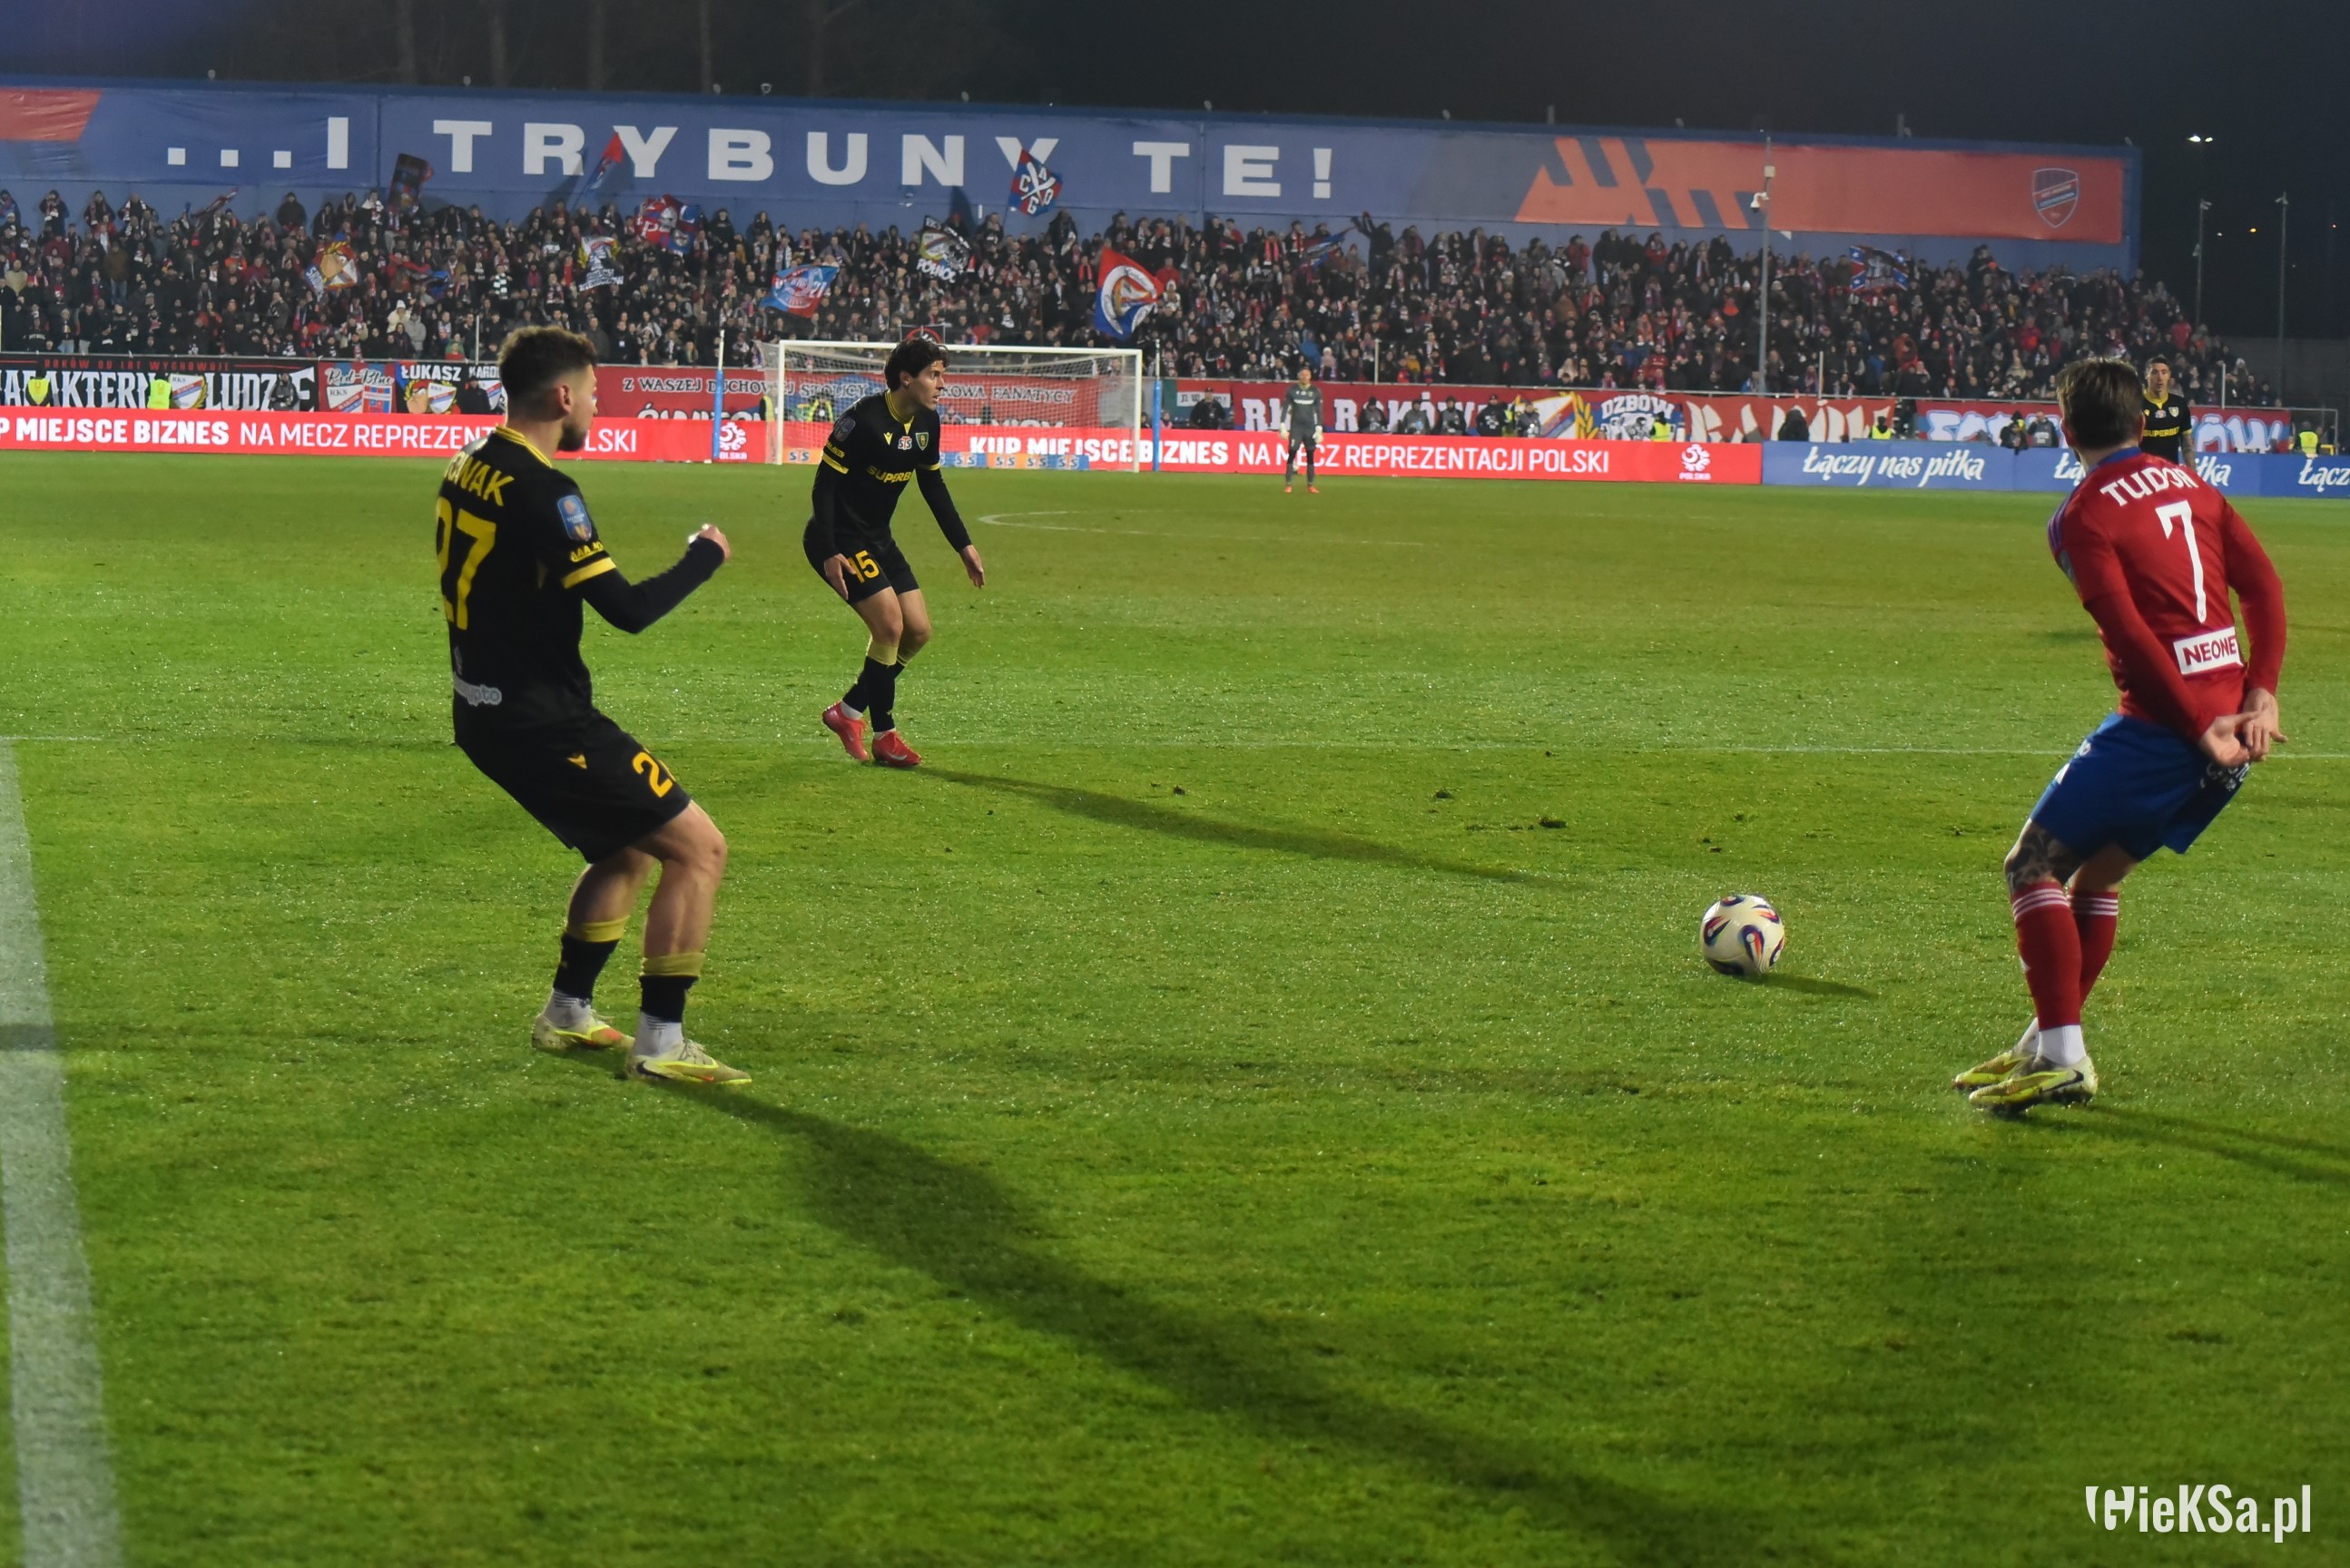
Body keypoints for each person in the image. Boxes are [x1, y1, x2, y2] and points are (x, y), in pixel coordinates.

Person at [1953, 358, 2287, 1113]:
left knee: (2028, 866)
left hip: (2169, 729)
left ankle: (2064, 1058)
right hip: (2234, 728)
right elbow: (2263, 587)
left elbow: (2131, 636)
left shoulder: (2079, 517)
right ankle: (2044, 1041)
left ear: (2065, 429)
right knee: (2095, 879)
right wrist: (2260, 690)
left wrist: (2195, 727)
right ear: (2142, 423)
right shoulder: (2195, 487)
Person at [438, 326, 746, 1085]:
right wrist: (704, 556)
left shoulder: (469, 461)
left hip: (482, 708)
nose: (596, 408)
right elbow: (627, 611)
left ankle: (567, 1011)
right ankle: (662, 1042)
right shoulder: (547, 491)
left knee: (626, 847)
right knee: (699, 850)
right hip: (541, 721)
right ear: (561, 396)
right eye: (593, 394)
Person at [809, 333, 987, 770]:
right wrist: (830, 551)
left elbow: (933, 486)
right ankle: (884, 735)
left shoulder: (927, 423)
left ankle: (848, 711)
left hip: (878, 539)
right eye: (934, 375)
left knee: (918, 631)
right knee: (890, 626)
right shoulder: (862, 421)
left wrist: (963, 545)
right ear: (907, 378)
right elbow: (824, 487)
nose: (942, 384)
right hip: (840, 539)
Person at [2139, 357, 2192, 463]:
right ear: (2146, 375)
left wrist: (2192, 471)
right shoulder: (2135, 404)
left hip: (2169, 470)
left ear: (2169, 375)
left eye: (2164, 372)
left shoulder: (2179, 404)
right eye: (2154, 372)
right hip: (2143, 470)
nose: (2160, 378)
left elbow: (2187, 446)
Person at [1283, 365, 1322, 493]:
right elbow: (1285, 407)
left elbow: (1319, 410)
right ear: (1299, 376)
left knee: (1310, 455)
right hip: (1296, 428)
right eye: (1302, 375)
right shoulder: (1292, 390)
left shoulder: (1315, 391)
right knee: (1292, 453)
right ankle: (1288, 484)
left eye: (1307, 375)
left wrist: (1319, 427)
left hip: (1310, 428)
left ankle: (1310, 485)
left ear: (1310, 377)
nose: (1305, 377)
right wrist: (1282, 424)